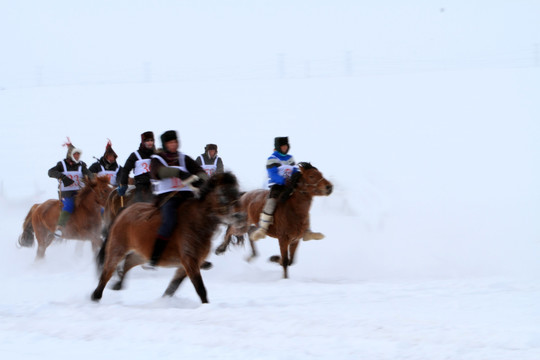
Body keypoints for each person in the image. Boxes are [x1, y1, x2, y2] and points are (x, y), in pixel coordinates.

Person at [144, 130, 208, 270]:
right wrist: (178, 173)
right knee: (170, 221)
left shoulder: (184, 158)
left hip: (187, 196)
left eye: (175, 142)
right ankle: (154, 257)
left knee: (202, 219)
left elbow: (200, 171)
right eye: (170, 142)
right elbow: (158, 173)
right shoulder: (157, 159)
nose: (173, 145)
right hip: (168, 197)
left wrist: (201, 180)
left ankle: (199, 255)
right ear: (165, 144)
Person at [250, 136, 324, 242]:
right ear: (278, 147)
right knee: (271, 202)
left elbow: (294, 171)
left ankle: (307, 231)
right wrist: (283, 181)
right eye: (282, 146)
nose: (284, 148)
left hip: (291, 186)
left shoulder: (290, 158)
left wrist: (297, 179)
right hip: (278, 186)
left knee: (302, 204)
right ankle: (262, 229)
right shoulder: (272, 158)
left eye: (286, 146)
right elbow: (272, 174)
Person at [48, 139, 93, 238]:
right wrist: (63, 177)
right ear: (70, 155)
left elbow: (88, 173)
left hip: (80, 193)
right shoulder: (62, 165)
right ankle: (59, 228)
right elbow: (50, 172)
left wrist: (93, 178)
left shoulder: (81, 165)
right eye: (75, 154)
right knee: (69, 205)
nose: (77, 156)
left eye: (78, 155)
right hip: (66, 193)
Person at [117, 131, 155, 203]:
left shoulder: (156, 155)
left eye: (151, 140)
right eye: (147, 141)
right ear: (143, 142)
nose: (150, 142)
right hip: (141, 186)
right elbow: (126, 170)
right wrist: (124, 184)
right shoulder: (135, 155)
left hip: (154, 185)